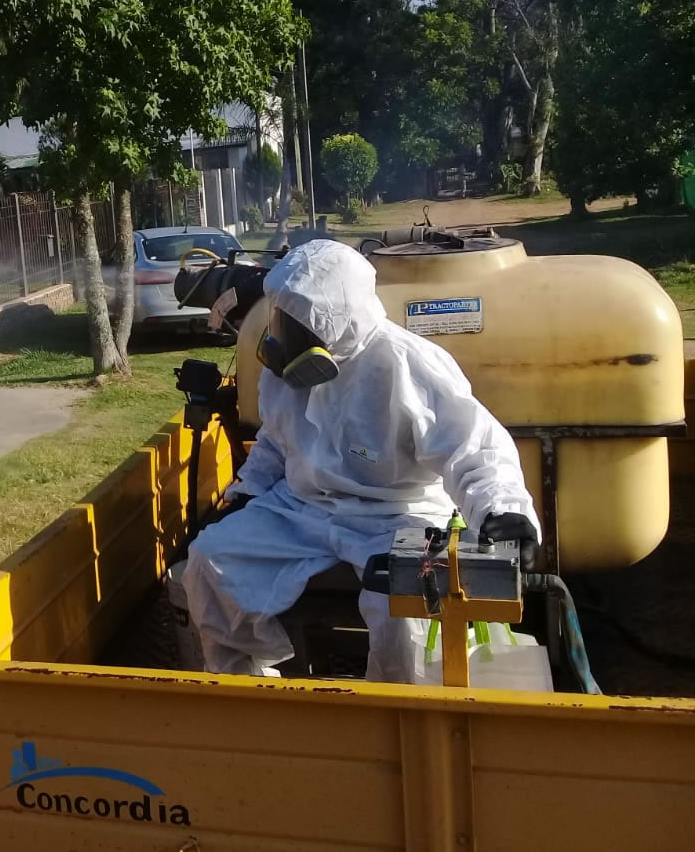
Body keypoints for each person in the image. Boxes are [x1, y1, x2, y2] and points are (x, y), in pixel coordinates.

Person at [181, 239, 538, 682]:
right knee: (210, 560)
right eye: (281, 317)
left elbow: (475, 447)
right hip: (303, 508)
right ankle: (246, 690)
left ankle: (400, 708)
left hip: (398, 514)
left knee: (407, 605)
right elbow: (275, 441)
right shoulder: (283, 373)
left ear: (337, 321)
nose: (282, 332)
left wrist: (504, 510)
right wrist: (247, 492)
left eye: (299, 323)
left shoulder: (407, 364)